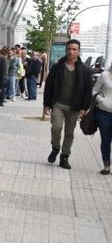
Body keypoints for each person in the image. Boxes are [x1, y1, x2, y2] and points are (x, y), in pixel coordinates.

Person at [43, 39, 94, 169]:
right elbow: (49, 86)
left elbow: (88, 90)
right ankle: (55, 148)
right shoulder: (57, 67)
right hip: (58, 104)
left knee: (69, 133)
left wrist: (85, 107)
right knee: (56, 127)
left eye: (74, 49)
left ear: (78, 51)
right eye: (69, 49)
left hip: (75, 107)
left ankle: (64, 156)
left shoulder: (85, 70)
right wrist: (46, 105)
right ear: (66, 50)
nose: (71, 51)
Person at [93, 64, 112, 175]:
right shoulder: (104, 75)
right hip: (104, 113)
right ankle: (106, 166)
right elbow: (94, 91)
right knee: (105, 140)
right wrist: (101, 100)